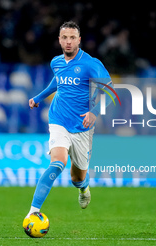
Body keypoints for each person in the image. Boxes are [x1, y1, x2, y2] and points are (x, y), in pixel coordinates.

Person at [26, 21, 112, 218]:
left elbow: (111, 91)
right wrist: (38, 97)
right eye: (64, 37)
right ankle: (33, 212)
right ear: (59, 39)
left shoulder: (91, 64)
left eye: (72, 38)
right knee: (58, 161)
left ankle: (83, 188)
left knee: (77, 177)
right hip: (58, 120)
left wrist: (94, 112)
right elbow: (58, 81)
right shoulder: (56, 62)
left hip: (82, 126)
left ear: (79, 40)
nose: (68, 42)